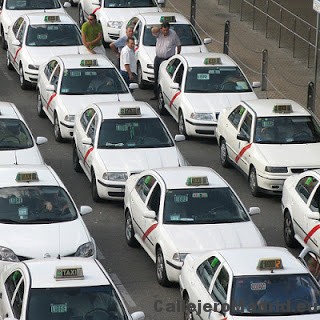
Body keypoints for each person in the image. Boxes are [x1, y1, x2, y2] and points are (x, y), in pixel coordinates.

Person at [150, 21, 181, 100]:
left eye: (166, 30)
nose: (165, 32)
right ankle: (156, 94)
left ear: (169, 29)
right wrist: (159, 28)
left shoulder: (173, 34)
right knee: (156, 76)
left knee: (166, 77)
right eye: (163, 30)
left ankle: (165, 96)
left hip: (168, 59)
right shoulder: (159, 33)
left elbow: (178, 44)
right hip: (158, 58)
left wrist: (177, 55)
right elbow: (153, 30)